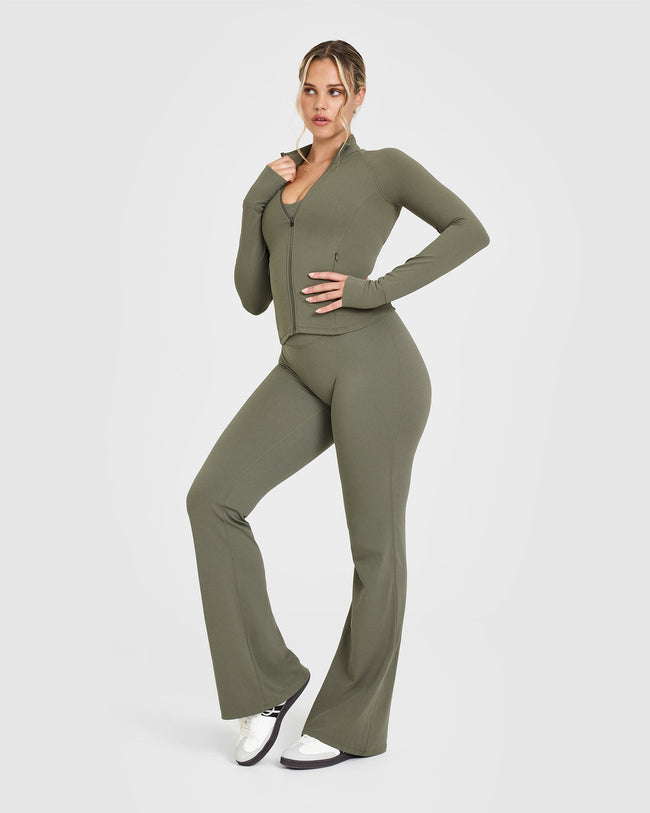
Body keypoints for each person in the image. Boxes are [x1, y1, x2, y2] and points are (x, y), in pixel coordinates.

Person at [185, 39, 490, 770]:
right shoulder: (281, 178)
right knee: (212, 500)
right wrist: (254, 201)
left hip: (376, 371)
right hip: (300, 368)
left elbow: (469, 230)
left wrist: (375, 289)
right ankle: (267, 685)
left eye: (335, 91)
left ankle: (352, 724)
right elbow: (253, 297)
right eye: (310, 89)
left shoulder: (383, 168)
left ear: (358, 97)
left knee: (375, 550)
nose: (320, 104)